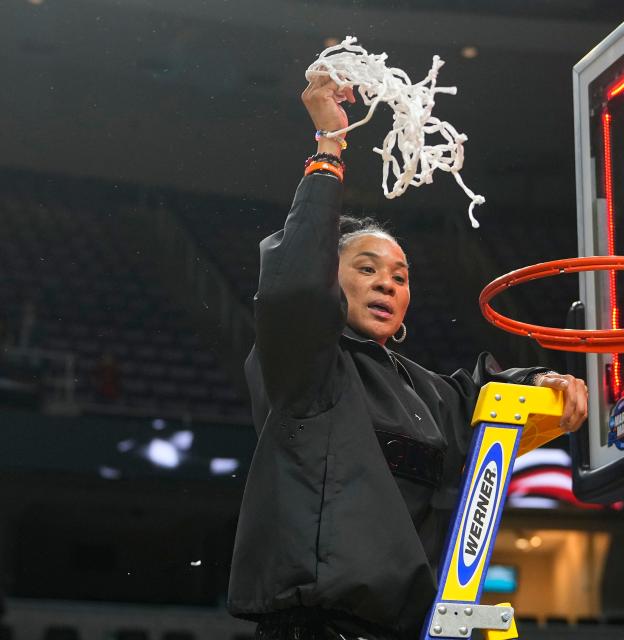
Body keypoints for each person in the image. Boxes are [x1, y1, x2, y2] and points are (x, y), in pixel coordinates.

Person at [226, 75, 589, 640]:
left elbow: (481, 393)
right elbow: (292, 286)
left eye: (400, 276)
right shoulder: (308, 365)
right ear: (329, 278)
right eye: (366, 269)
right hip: (318, 626)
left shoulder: (428, 393)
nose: (386, 284)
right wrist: (329, 145)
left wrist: (544, 377)